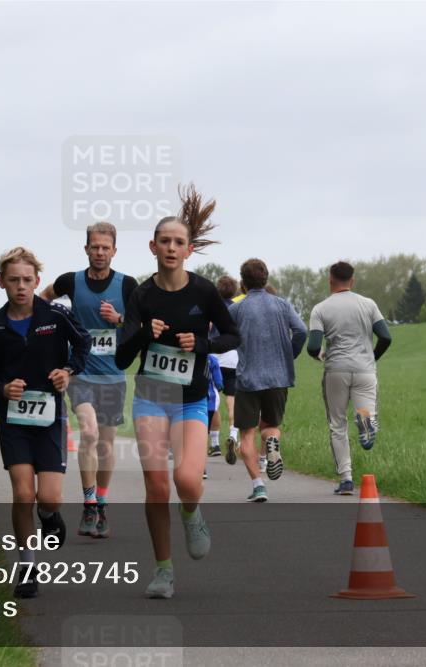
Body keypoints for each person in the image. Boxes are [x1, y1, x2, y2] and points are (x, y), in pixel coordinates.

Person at [115, 184, 239, 599]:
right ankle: (164, 570)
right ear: (153, 246)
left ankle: (192, 511)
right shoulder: (141, 295)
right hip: (151, 396)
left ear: (189, 250)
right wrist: (140, 335)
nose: (171, 247)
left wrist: (200, 345)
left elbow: (232, 336)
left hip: (190, 399)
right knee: (156, 487)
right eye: (164, 241)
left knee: (187, 480)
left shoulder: (203, 292)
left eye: (178, 242)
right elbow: (120, 358)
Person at [0, 246, 90, 599]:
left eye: (27, 280)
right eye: (13, 281)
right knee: (23, 493)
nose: (21, 287)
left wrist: (67, 371)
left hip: (50, 418)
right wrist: (2, 389)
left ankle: (50, 516)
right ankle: (26, 566)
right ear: (1, 283)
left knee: (49, 498)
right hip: (13, 421)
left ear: (38, 281)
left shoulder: (55, 315)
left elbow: (83, 344)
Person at [40, 221, 139, 539]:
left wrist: (120, 319)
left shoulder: (127, 286)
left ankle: (102, 503)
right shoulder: (71, 281)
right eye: (94, 246)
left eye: (105, 247)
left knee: (107, 445)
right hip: (80, 372)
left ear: (114, 250)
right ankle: (88, 503)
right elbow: (43, 298)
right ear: (86, 248)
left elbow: (143, 324)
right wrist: (44, 325)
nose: (99, 252)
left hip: (113, 376)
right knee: (90, 434)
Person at [306, 261, 392, 495]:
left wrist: (320, 354)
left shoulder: (320, 309)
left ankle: (345, 479)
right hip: (365, 369)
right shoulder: (368, 304)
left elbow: (313, 346)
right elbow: (385, 336)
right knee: (364, 411)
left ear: (330, 280)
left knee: (337, 424)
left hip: (336, 370)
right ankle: (366, 426)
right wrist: (372, 357)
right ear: (352, 280)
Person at [226, 259, 307, 502]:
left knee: (247, 434)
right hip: (278, 376)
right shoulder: (282, 305)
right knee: (271, 426)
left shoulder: (237, 309)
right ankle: (271, 442)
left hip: (248, 379)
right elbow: (302, 330)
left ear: (242, 283)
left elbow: (222, 334)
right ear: (266, 278)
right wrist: (288, 355)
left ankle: (258, 484)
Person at [210, 275, 240, 459]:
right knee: (232, 401)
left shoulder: (212, 307)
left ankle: (214, 444)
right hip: (233, 357)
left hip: (214, 356)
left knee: (213, 400)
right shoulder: (237, 308)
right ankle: (233, 435)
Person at [204, 355, 224, 481]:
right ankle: (215, 445)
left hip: (192, 401)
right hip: (211, 401)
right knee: (204, 433)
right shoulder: (212, 359)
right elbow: (219, 383)